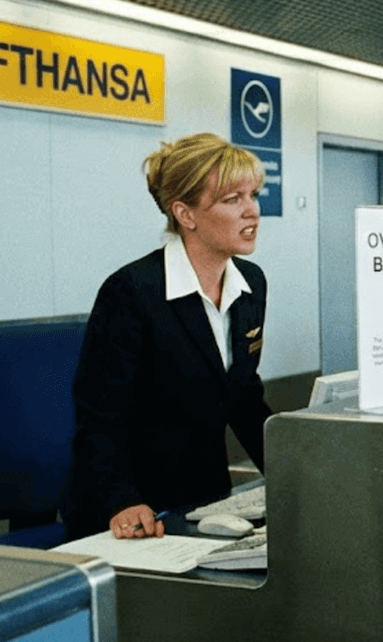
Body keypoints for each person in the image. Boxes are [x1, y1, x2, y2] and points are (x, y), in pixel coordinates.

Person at [70, 133, 273, 540]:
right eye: (232, 200)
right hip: (132, 509)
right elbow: (100, 415)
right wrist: (121, 499)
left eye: (254, 195)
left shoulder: (250, 284)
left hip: (205, 496)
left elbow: (243, 396)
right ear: (186, 213)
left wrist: (297, 476)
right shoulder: (131, 292)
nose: (252, 211)